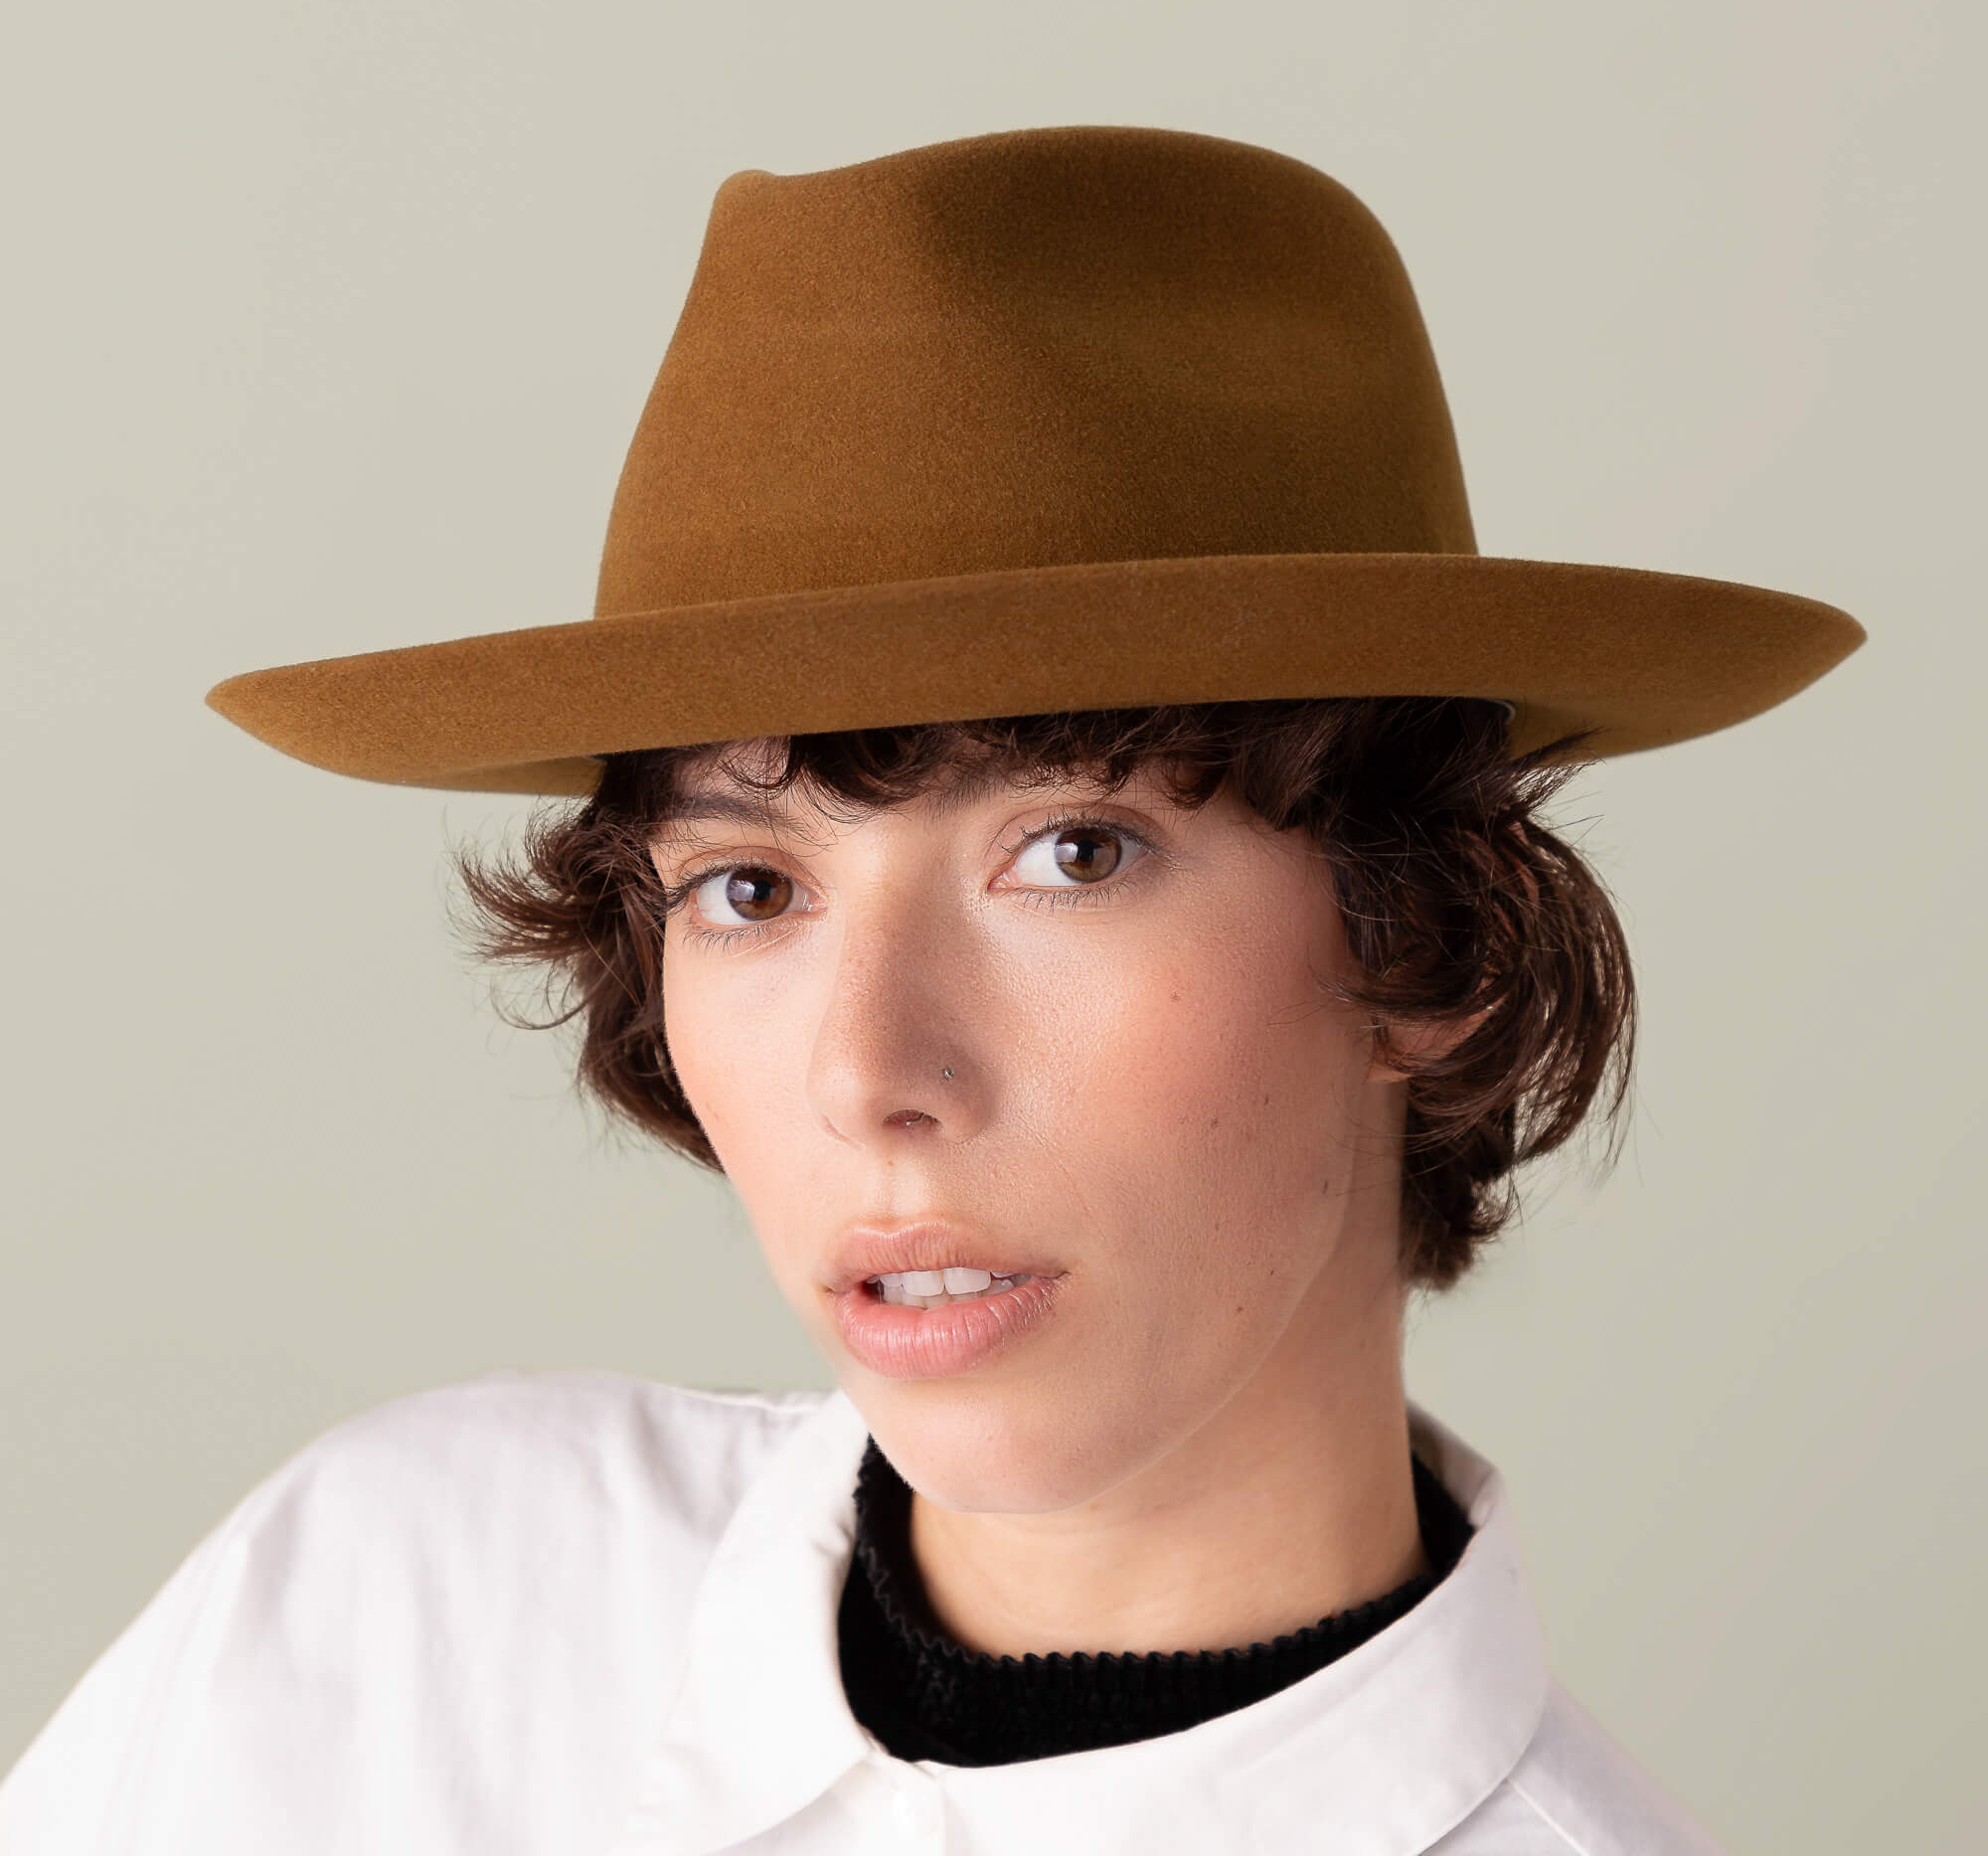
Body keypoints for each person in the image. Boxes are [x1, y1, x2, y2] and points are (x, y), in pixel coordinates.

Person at [0, 124, 1862, 1854]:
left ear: (1428, 938)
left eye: (1075, 851)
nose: (870, 1074)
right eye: (751, 887)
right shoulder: (393, 1618)